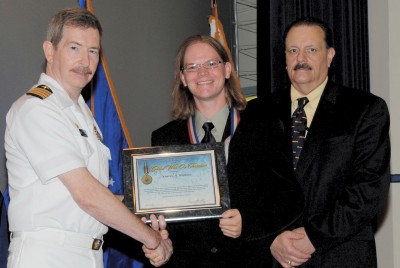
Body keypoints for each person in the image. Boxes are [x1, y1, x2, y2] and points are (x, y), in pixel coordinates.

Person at [4, 7, 172, 267]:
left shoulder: (81, 113)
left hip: (88, 253)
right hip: (48, 255)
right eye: (74, 48)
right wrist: (151, 239)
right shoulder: (36, 108)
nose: (85, 61)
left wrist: (144, 207)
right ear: (50, 50)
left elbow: (94, 195)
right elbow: (87, 195)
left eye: (93, 51)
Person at [151, 34, 304, 267]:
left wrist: (248, 222)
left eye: (212, 64)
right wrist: (157, 236)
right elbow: (162, 212)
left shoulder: (264, 128)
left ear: (227, 70)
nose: (202, 72)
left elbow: (290, 200)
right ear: (183, 78)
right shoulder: (164, 137)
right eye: (192, 67)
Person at [268, 17, 391, 267]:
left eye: (311, 49)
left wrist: (313, 237)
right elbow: (248, 186)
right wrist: (270, 238)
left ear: (330, 55)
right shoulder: (258, 112)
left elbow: (368, 190)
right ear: (285, 58)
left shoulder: (365, 109)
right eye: (293, 50)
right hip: (275, 257)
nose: (300, 58)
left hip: (341, 256)